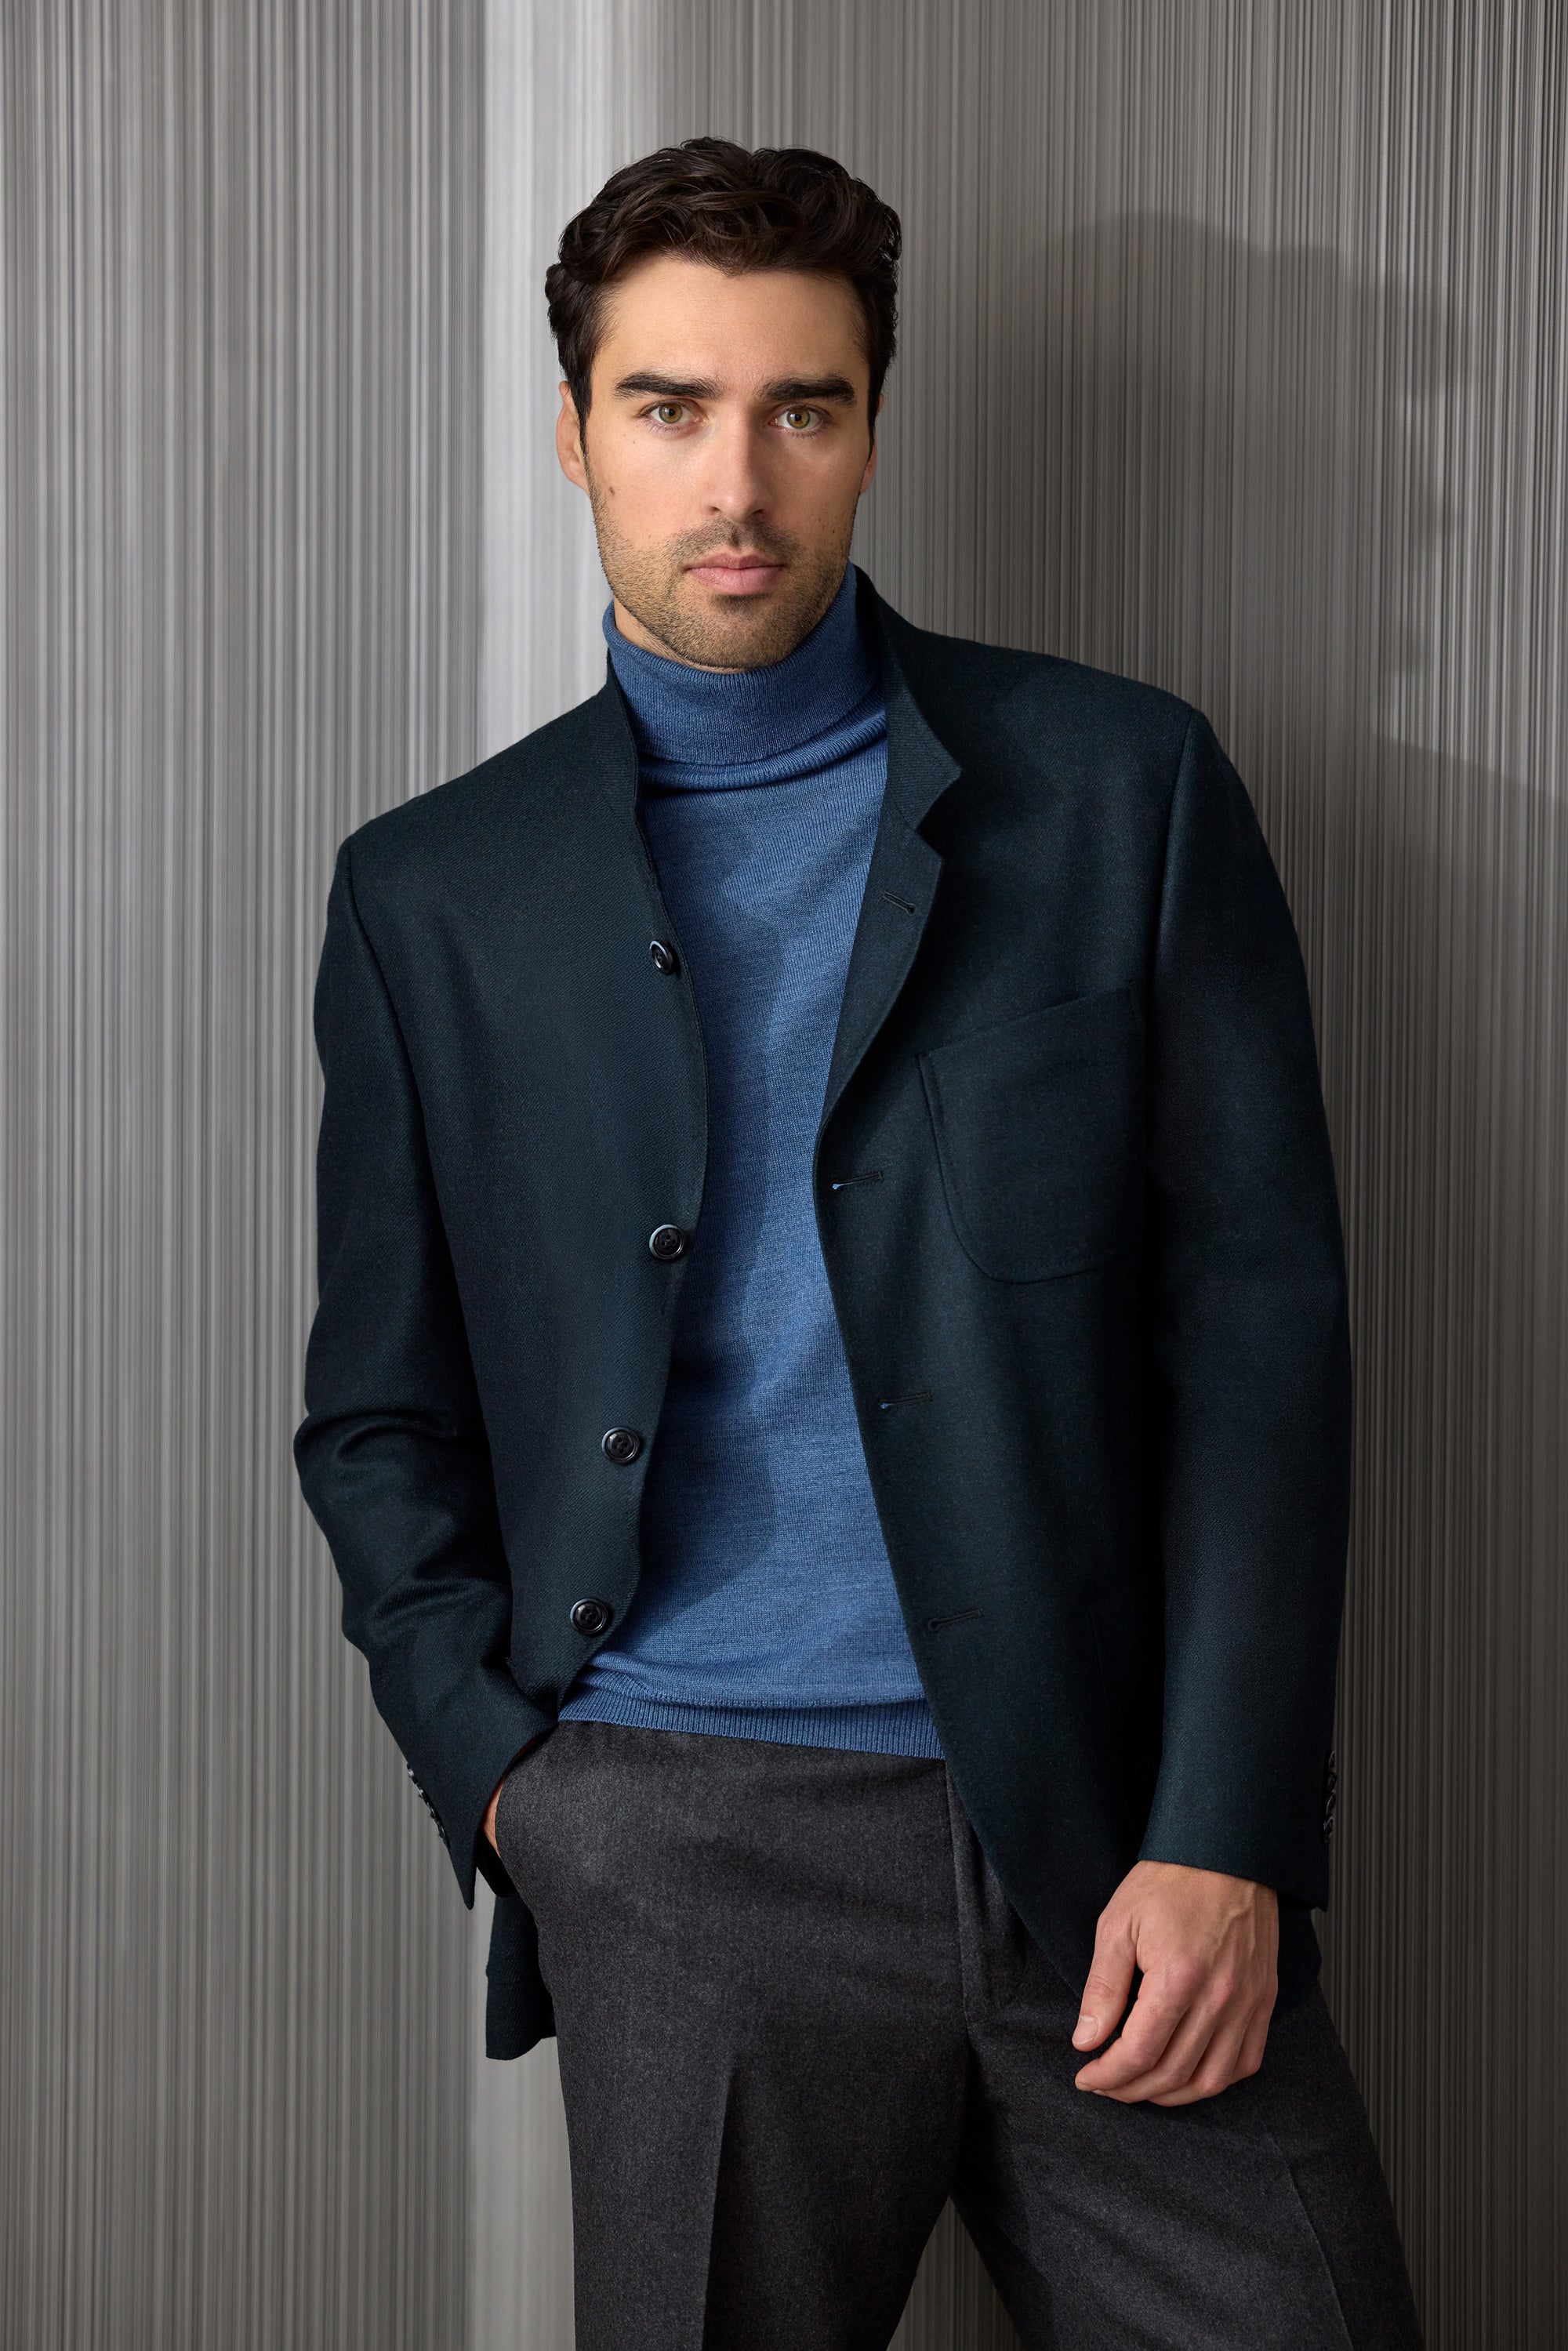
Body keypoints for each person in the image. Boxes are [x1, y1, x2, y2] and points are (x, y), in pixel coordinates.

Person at [295, 137, 1422, 2350]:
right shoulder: (432, 895)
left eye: (800, 408)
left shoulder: (1122, 791)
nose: (738, 481)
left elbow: (1259, 1347)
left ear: (873, 430)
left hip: (1115, 1832)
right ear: (575, 433)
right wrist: (522, 1797)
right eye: (670, 407)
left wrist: (1229, 1827)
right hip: (679, 1845)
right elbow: (377, 1412)